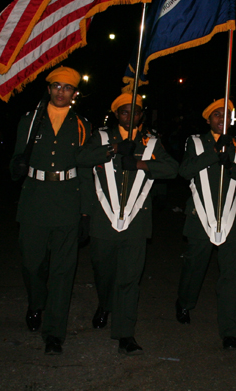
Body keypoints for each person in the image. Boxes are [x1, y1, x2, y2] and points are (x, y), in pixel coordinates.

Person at [11, 66, 100, 355]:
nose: (61, 92)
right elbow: (15, 161)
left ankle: (54, 333)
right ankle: (37, 302)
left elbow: (86, 170)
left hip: (67, 202)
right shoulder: (30, 120)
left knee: (63, 271)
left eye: (67, 88)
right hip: (35, 201)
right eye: (56, 86)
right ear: (48, 89)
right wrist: (17, 167)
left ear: (75, 94)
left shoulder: (82, 125)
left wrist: (86, 212)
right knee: (32, 264)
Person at [85, 92, 178, 355]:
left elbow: (173, 169)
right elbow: (81, 159)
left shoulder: (150, 141)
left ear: (141, 115)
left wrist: (140, 163)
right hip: (104, 220)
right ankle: (105, 303)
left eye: (136, 112)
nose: (131, 117)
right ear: (116, 114)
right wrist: (113, 150)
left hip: (136, 222)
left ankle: (125, 334)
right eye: (125, 112)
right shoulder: (101, 137)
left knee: (129, 280)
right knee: (104, 273)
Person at [175, 99, 236, 350]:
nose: (222, 119)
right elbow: (185, 170)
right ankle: (185, 302)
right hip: (200, 216)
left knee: (230, 275)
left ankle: (230, 331)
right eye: (216, 115)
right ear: (208, 119)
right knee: (195, 266)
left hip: (230, 217)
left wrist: (231, 165)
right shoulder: (196, 142)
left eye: (227, 115)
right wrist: (213, 153)